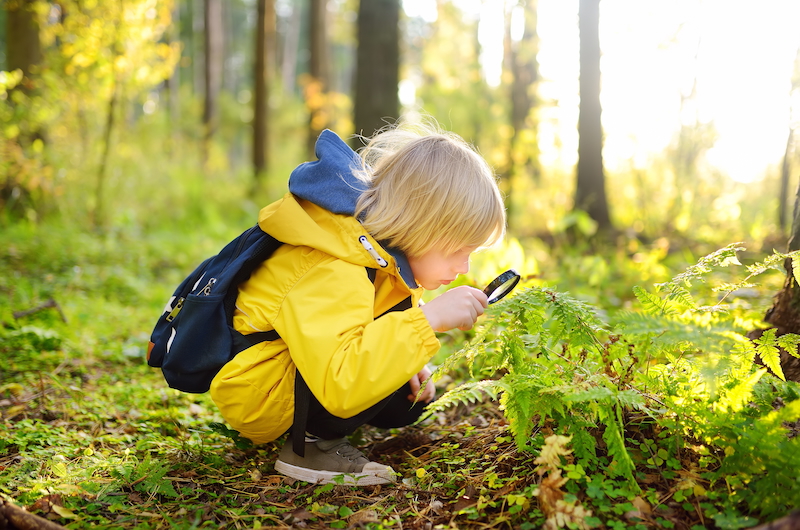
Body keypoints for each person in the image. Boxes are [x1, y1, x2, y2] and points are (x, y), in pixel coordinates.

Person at [209, 119, 506, 485]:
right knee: (372, 379)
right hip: (259, 391)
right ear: (419, 224)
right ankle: (309, 449)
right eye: (458, 249)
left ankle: (321, 429)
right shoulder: (335, 264)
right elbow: (341, 377)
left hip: (306, 369)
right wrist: (425, 322)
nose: (463, 267)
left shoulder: (383, 259)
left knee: (406, 399)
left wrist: (407, 359)